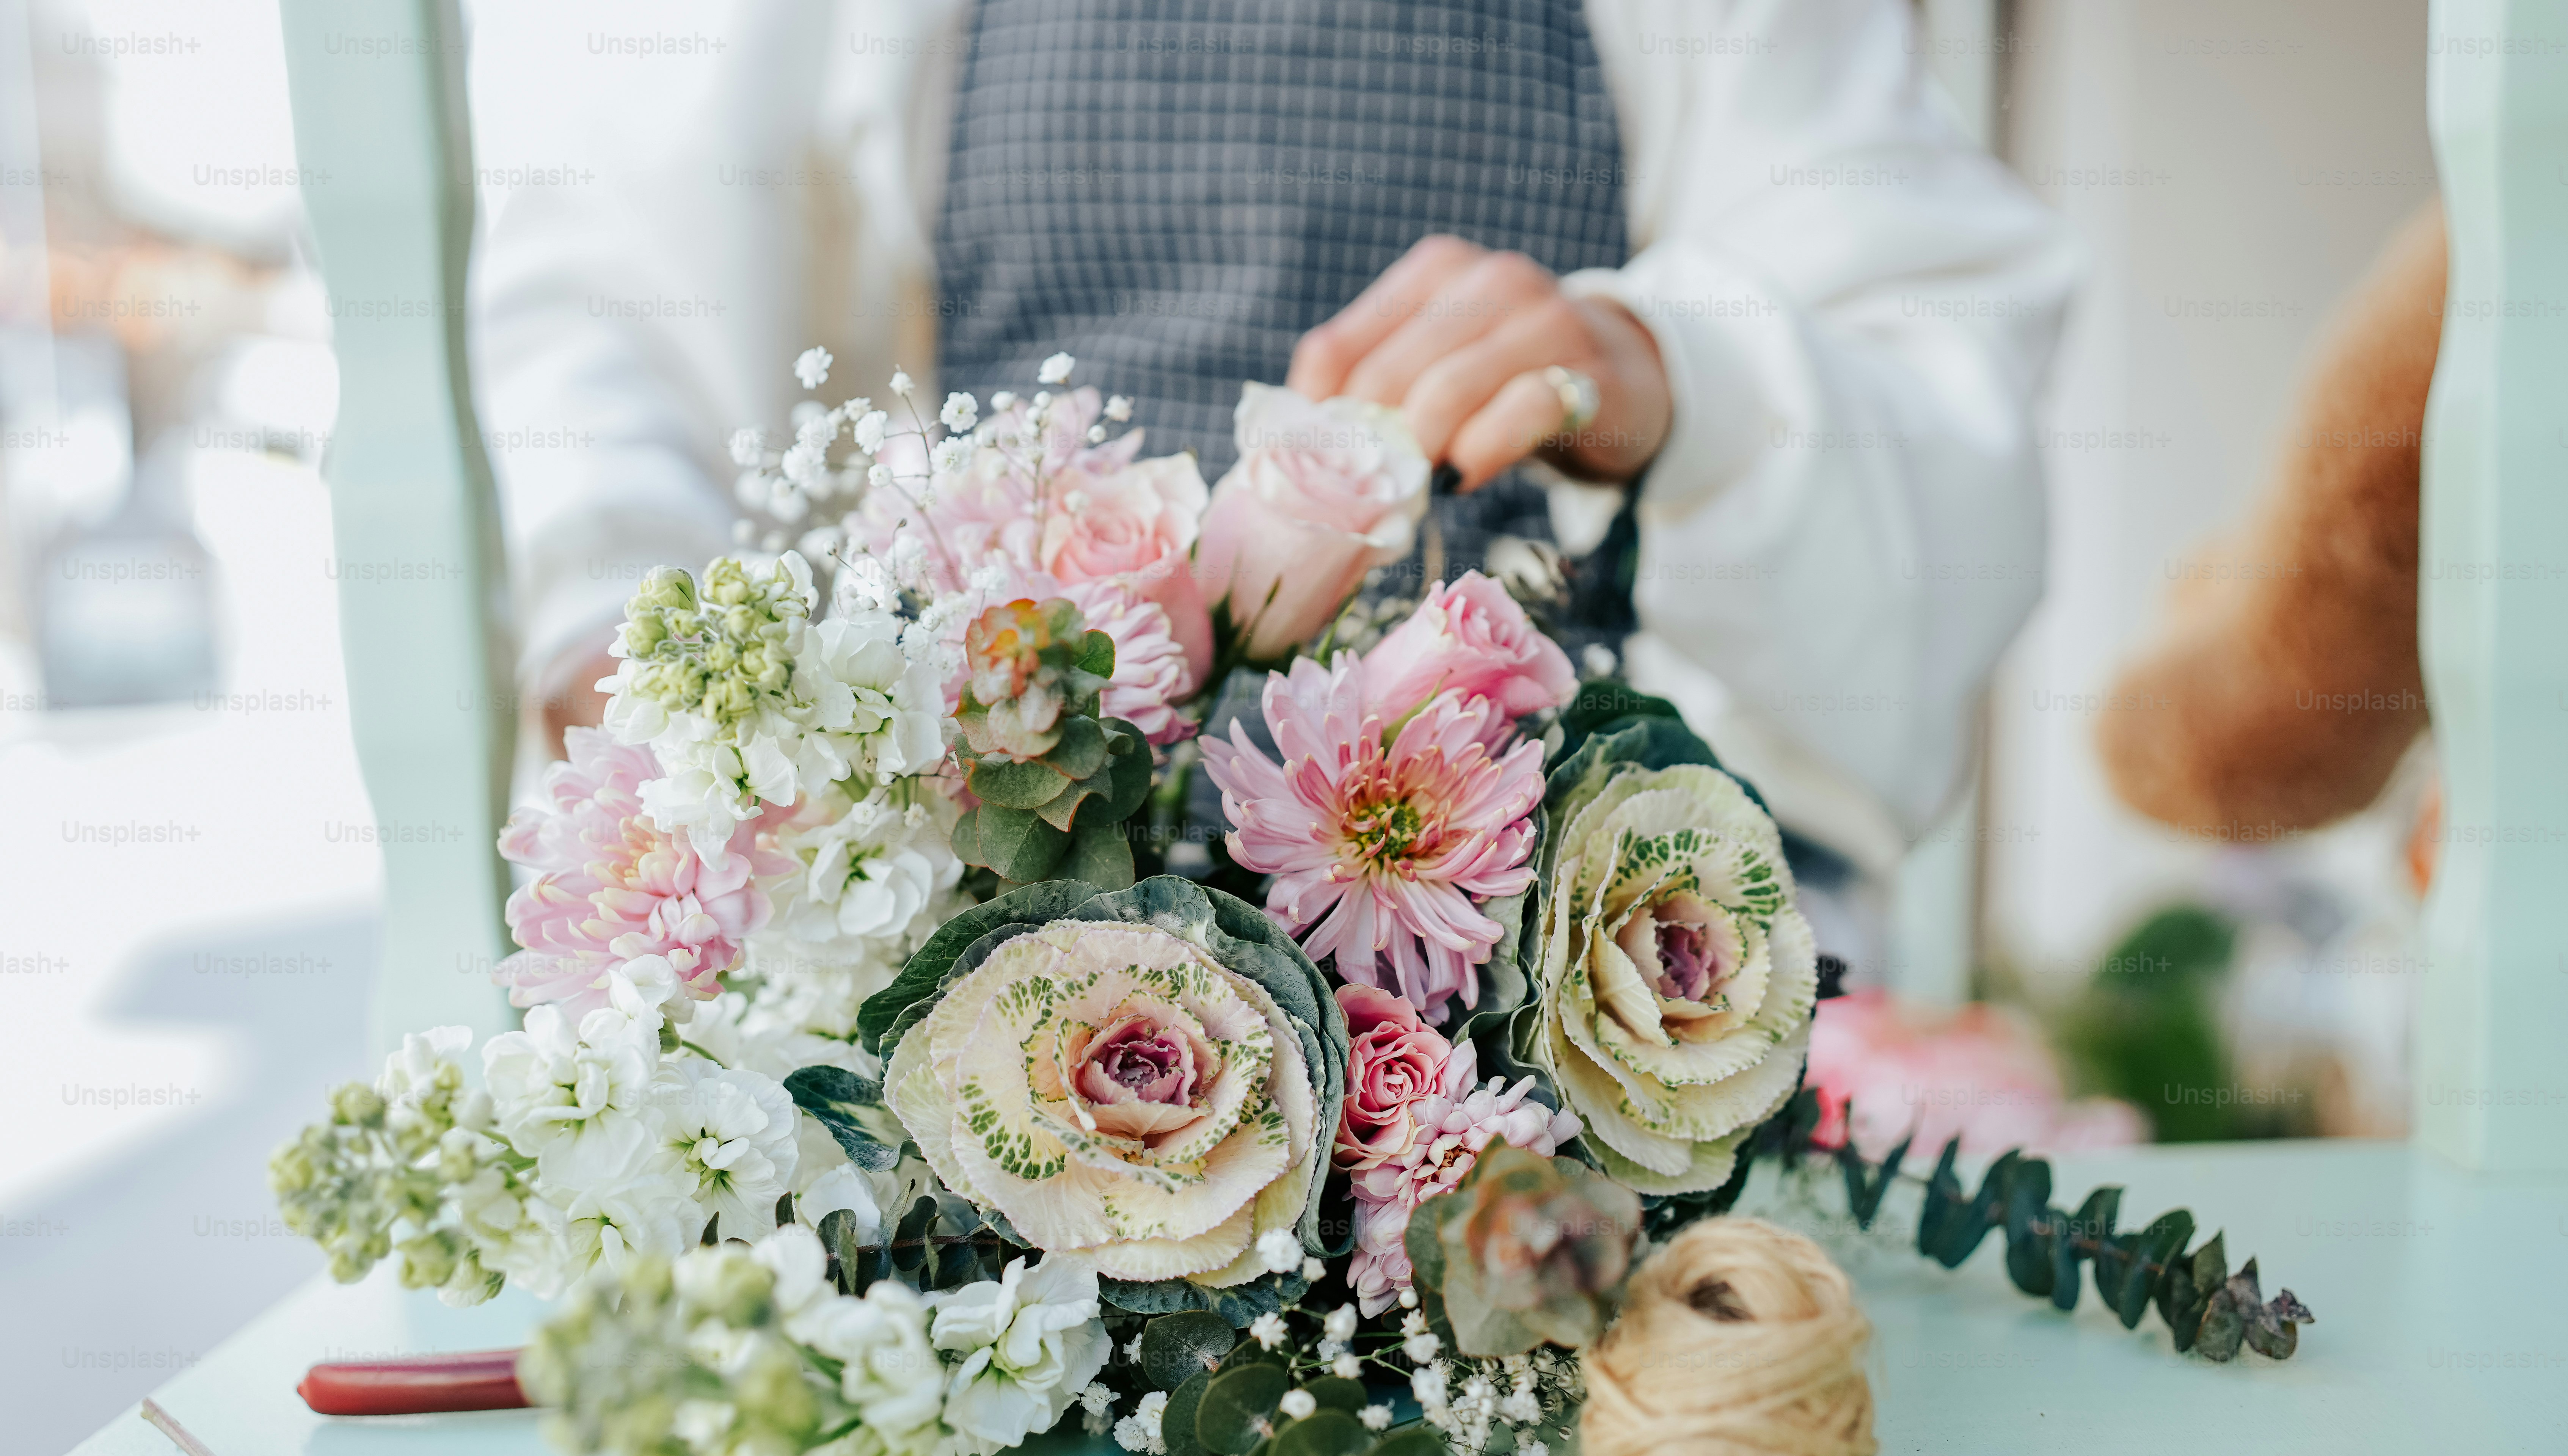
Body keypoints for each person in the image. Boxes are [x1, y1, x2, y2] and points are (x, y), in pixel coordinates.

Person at [474, 0, 2078, 923]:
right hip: (981, 925)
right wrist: (671, 693)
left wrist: (1668, 371)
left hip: (1516, 961)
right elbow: (621, 304)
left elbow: (1924, 354)